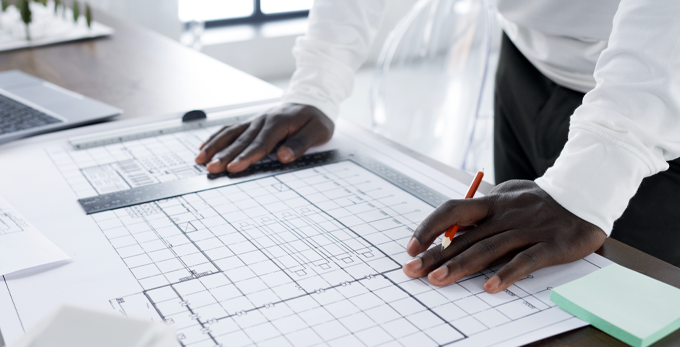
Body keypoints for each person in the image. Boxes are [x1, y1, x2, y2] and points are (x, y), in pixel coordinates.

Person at [195, 0, 680, 294]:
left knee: (646, 307)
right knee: (523, 292)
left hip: (657, 93)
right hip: (528, 63)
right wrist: (316, 84)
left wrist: (588, 183)